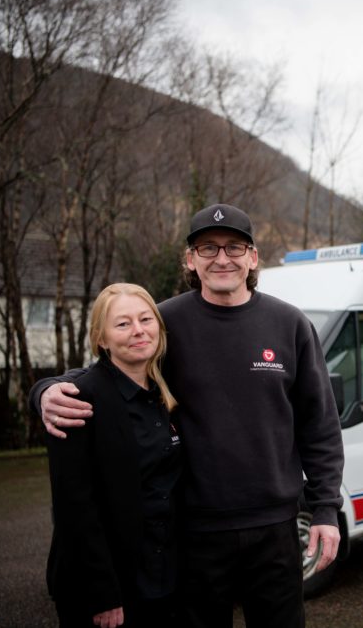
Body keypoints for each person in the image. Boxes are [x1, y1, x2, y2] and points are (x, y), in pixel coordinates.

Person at [33, 204, 344, 628]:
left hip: (274, 528)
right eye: (207, 248)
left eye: (235, 247)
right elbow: (106, 368)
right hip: (193, 532)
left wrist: (326, 508)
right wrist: (45, 390)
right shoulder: (164, 322)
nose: (222, 258)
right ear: (190, 260)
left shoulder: (289, 324)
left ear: (253, 258)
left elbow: (320, 425)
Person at [45, 283, 182, 628]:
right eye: (122, 324)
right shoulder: (78, 400)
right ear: (102, 339)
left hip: (163, 576)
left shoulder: (163, 392)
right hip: (111, 590)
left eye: (145, 319)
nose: (138, 330)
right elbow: (74, 508)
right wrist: (102, 594)